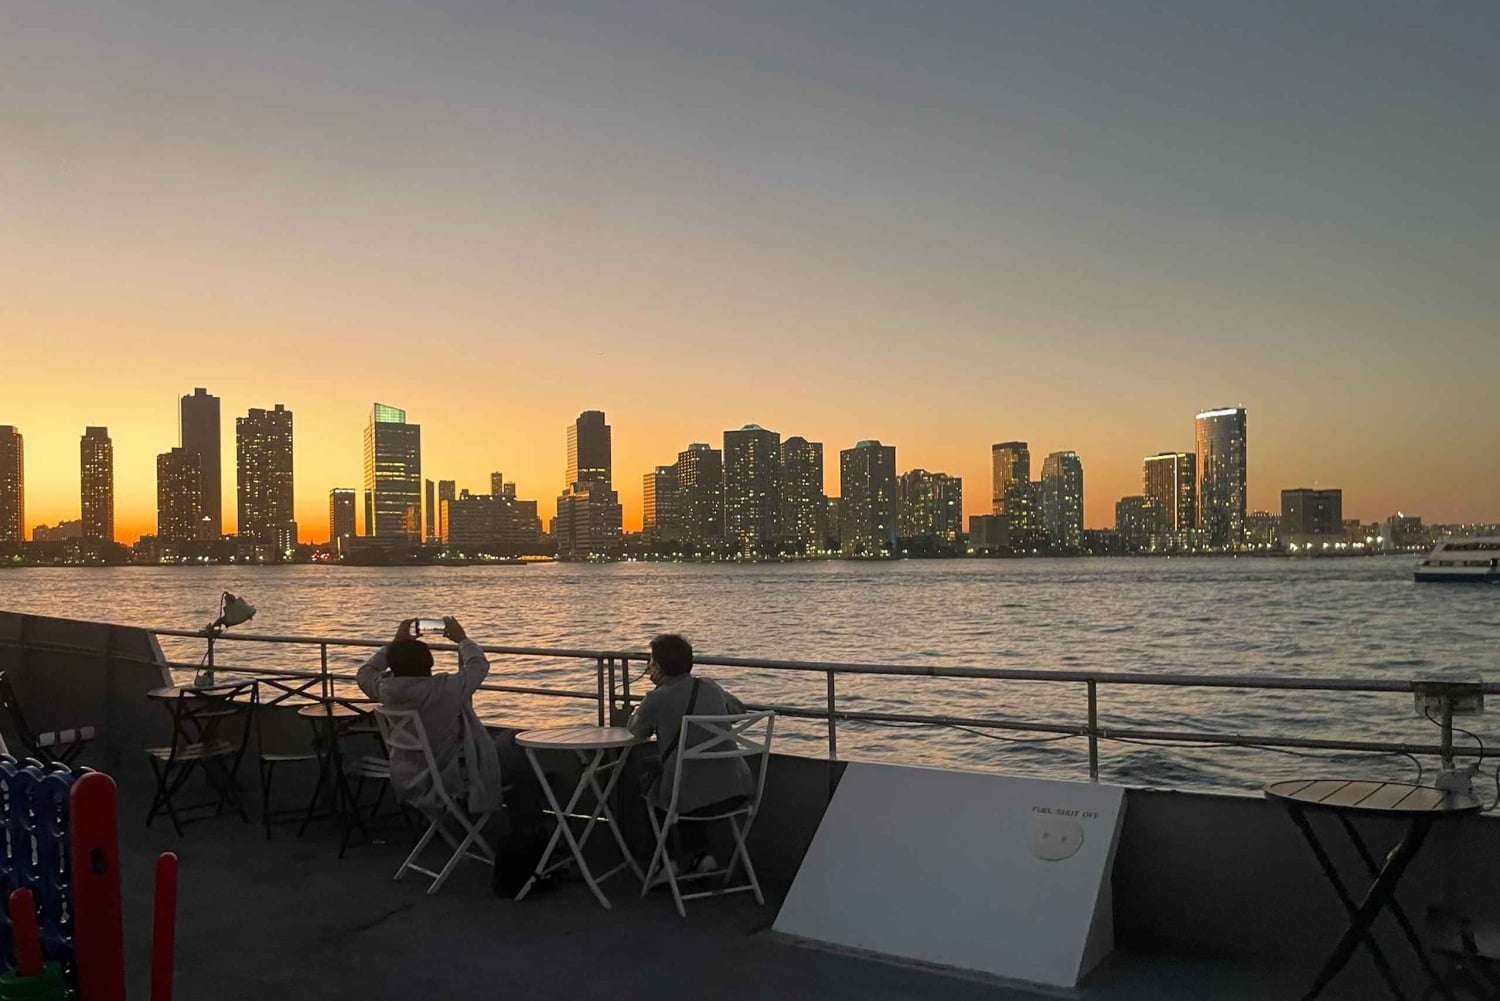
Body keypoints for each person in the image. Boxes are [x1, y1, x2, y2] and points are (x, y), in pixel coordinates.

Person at [356, 617, 518, 821]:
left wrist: (395, 644)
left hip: (409, 774)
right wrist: (462, 639)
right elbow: (478, 665)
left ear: (392, 664)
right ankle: (528, 826)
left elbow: (365, 672)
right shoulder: (445, 688)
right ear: (430, 663)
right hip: (450, 772)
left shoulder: (384, 689)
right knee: (516, 744)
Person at [627, 633, 755, 876]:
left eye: (651, 661)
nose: (649, 666)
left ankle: (667, 862)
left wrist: (641, 707)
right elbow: (738, 709)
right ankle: (702, 856)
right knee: (685, 775)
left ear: (658, 667)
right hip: (735, 789)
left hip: (689, 797)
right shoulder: (710, 687)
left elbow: (636, 731)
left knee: (653, 782)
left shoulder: (656, 698)